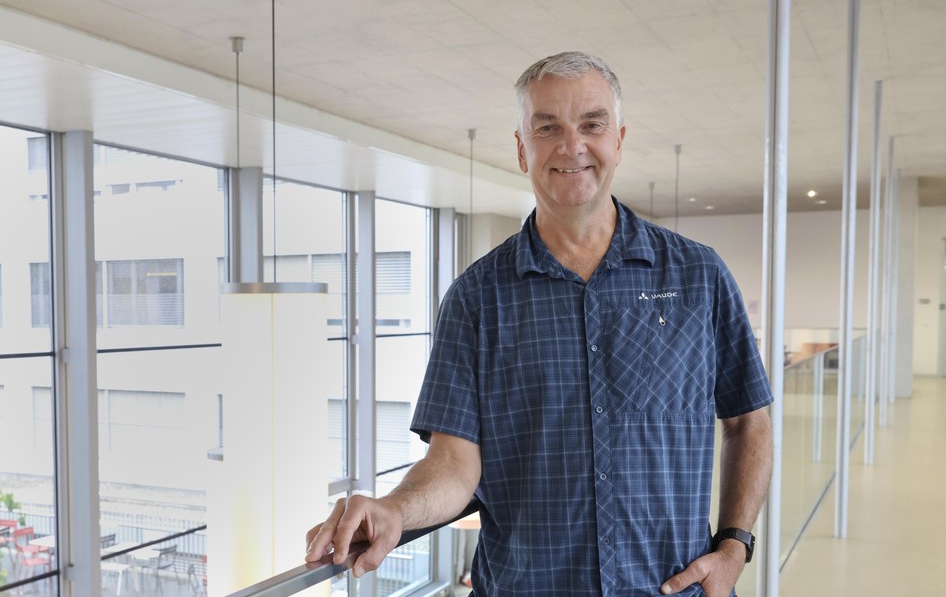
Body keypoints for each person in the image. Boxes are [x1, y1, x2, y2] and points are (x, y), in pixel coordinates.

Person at [305, 51, 774, 597]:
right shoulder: (477, 298)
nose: (571, 145)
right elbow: (455, 464)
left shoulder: (699, 275)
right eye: (547, 127)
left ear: (619, 139)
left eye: (591, 125)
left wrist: (734, 547)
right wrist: (393, 509)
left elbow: (748, 420)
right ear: (522, 147)